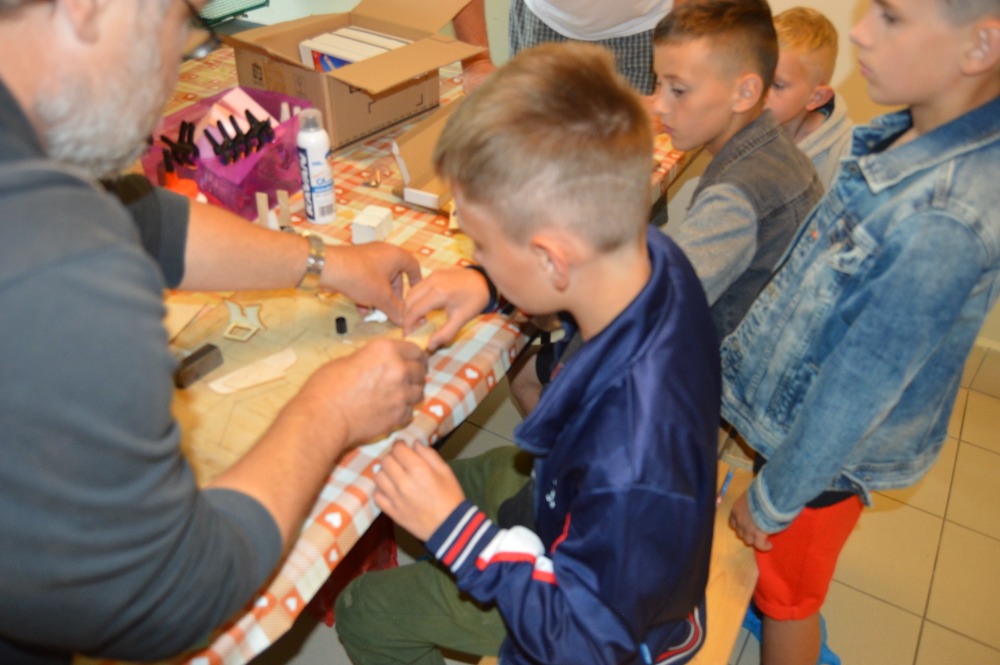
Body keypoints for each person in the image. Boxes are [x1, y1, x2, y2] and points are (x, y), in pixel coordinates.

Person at [0, 0, 428, 662]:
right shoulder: (59, 261)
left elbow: (144, 221)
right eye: (181, 27)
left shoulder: (38, 164)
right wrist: (330, 409)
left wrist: (329, 262)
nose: (174, 73)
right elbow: (168, 594)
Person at [336, 42, 721, 665]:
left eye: (483, 246)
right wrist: (488, 283)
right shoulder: (652, 260)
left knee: (365, 609)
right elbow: (571, 279)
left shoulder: (631, 453)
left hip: (597, 625)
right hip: (565, 504)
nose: (476, 256)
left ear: (550, 259)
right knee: (400, 483)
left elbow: (585, 642)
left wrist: (459, 535)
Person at [723, 0, 1000, 663]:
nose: (861, 32)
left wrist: (772, 500)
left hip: (823, 461)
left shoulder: (942, 219)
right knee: (780, 578)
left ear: (979, 48)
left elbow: (858, 390)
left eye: (891, 17)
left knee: (790, 601)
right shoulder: (905, 132)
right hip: (800, 431)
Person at [453, 0, 687, 93]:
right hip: (542, 23)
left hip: (647, 33)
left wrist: (672, 78)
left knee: (630, 166)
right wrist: (476, 62)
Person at [765, 7, 853, 190]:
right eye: (758, 76)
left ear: (816, 98)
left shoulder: (848, 154)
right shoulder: (744, 127)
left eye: (777, 85)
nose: (758, 92)